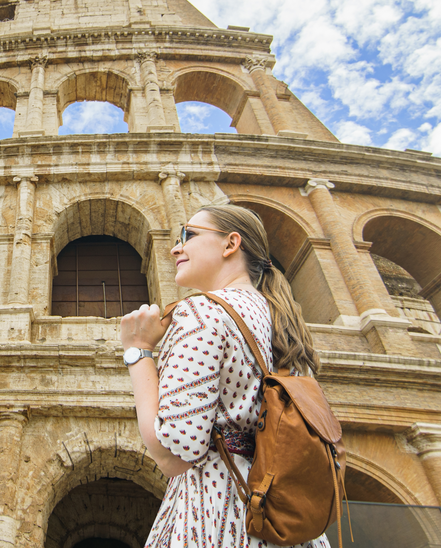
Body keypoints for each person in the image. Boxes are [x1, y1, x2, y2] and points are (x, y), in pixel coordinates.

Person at [120, 204, 329, 548]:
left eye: (188, 235)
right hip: (284, 518)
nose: (175, 248)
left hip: (222, 513)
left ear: (231, 243)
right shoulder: (284, 324)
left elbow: (173, 454)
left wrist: (138, 350)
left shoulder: (202, 312)